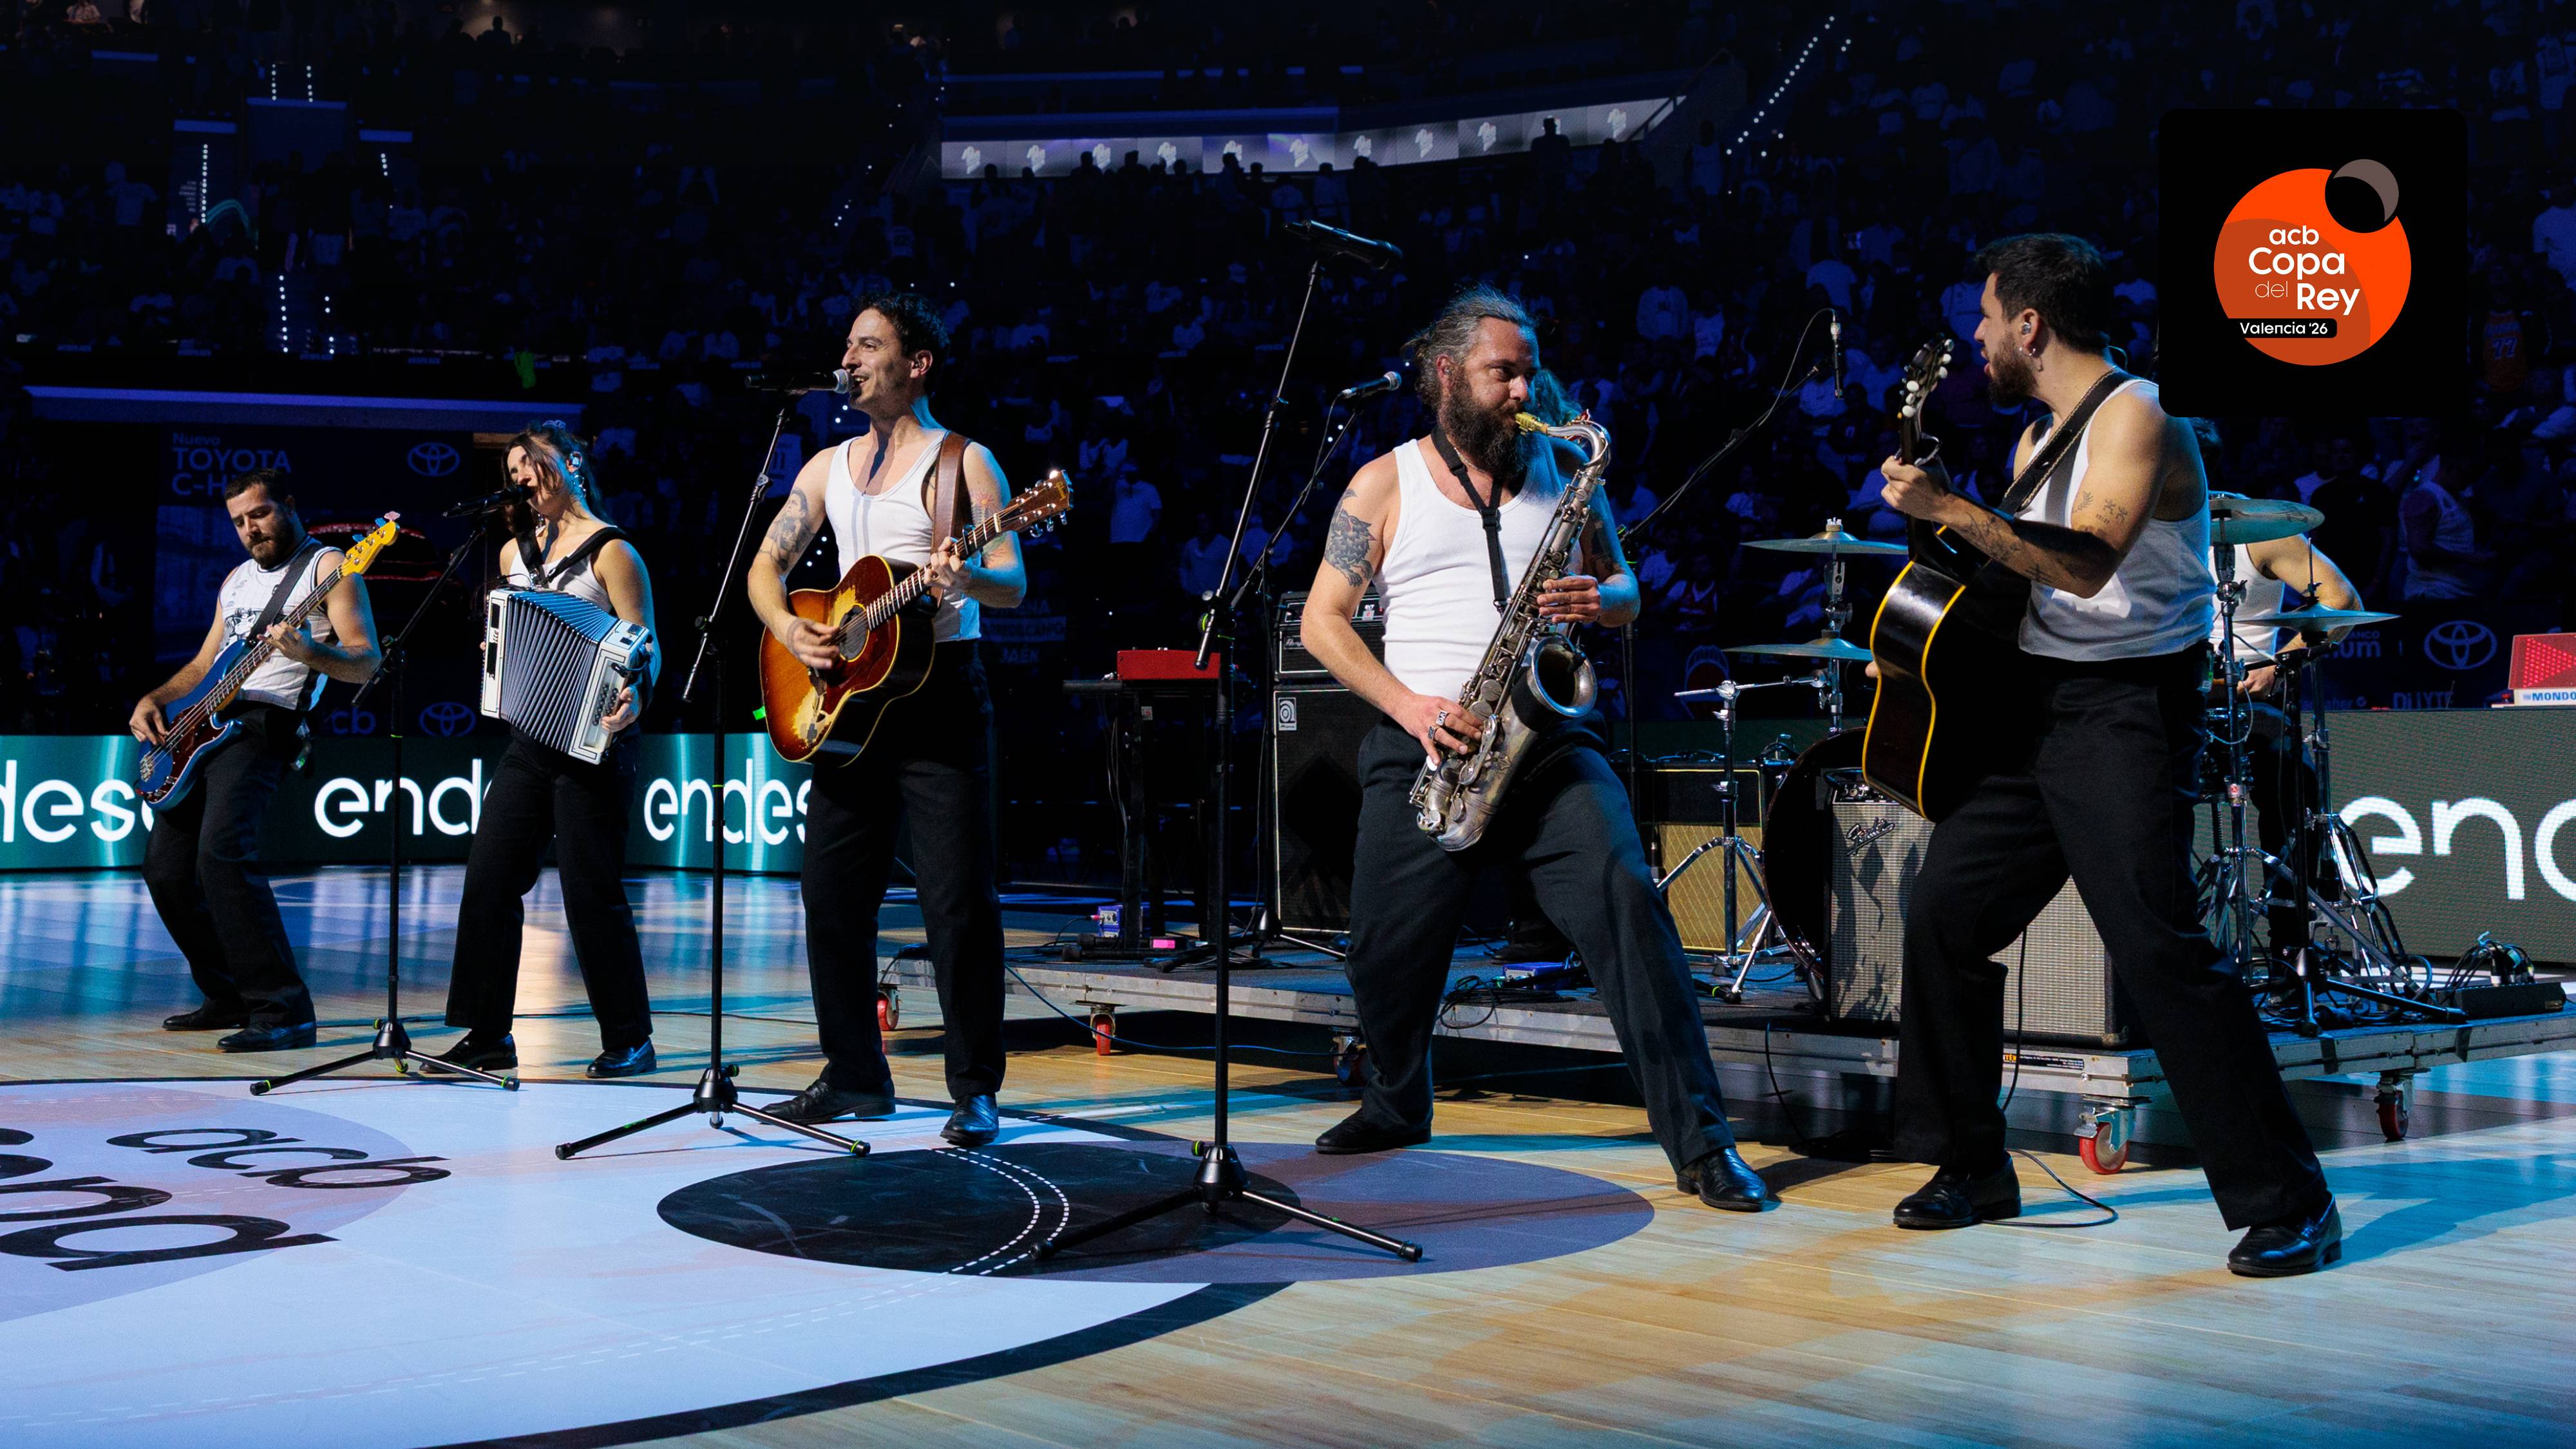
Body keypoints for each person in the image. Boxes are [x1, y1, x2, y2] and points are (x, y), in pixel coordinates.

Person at [1877, 234, 2338, 1277]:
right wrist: (1932, 569)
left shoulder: (2139, 414)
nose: (1978, 338)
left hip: (2127, 712)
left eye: (1986, 318)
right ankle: (1973, 1165)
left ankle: (2291, 1200)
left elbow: (2084, 566)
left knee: (2159, 947)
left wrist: (1951, 509)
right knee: (1944, 912)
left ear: (2030, 324)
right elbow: (2018, 585)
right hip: (2040, 716)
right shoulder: (2035, 440)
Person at [1295, 286, 1775, 1213]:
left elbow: (1625, 587)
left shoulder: (1562, 464)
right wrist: (1409, 706)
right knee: (1383, 953)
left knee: (1629, 900)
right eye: (1501, 372)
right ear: (1447, 374)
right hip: (1429, 743)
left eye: (1527, 370)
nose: (1522, 389)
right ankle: (1396, 1103)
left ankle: (1702, 1141)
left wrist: (1605, 599)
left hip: (1549, 742)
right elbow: (1323, 622)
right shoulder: (1383, 483)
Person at [746, 293, 1027, 1146]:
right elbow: (765, 566)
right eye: (849, 345)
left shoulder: (964, 463)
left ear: (917, 363)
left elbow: (1012, 579)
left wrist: (965, 579)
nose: (850, 359)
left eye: (869, 345)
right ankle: (854, 1076)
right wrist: (789, 627)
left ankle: (974, 1089)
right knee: (830, 895)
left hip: (939, 697)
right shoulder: (825, 467)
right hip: (851, 702)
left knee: (956, 903)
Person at [431, 422, 661, 1079]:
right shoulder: (513, 553)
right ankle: (486, 1035)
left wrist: (637, 694)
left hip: (595, 742)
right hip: (531, 738)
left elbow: (646, 644)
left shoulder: (613, 552)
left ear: (572, 463)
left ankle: (630, 1038)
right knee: (489, 879)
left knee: (591, 891)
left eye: (531, 462)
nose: (522, 476)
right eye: (512, 470)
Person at [133, 469, 381, 1052]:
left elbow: (366, 661)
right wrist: (156, 698)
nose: (250, 529)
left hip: (267, 724)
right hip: (207, 724)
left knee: (221, 855)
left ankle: (284, 1008)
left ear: (289, 507)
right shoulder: (237, 579)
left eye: (260, 514)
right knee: (166, 870)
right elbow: (204, 666)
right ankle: (227, 995)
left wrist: (310, 652)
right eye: (240, 522)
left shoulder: (330, 568)